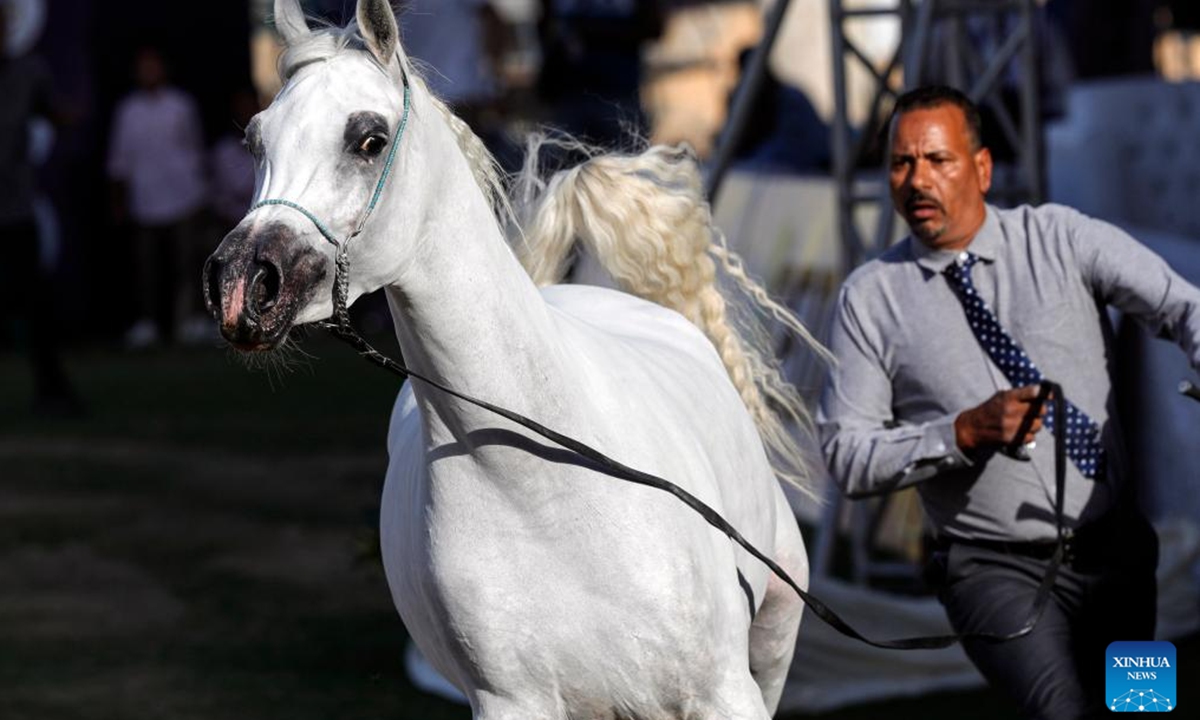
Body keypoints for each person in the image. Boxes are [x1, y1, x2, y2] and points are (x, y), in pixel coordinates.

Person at [818, 85, 1200, 719]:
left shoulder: (1061, 236)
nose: (917, 180)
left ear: (983, 168)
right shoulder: (871, 297)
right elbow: (847, 454)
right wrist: (960, 433)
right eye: (901, 163)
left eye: (937, 160)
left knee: (1140, 710)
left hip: (1120, 552)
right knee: (1063, 711)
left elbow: (1182, 304)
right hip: (990, 569)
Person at [0, 1, 82, 415]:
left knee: (36, 306)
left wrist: (71, 115)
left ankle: (53, 391)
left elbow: (56, 111)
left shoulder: (28, 73)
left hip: (14, 210)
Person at [107, 46, 208, 348]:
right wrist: (117, 201)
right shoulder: (127, 110)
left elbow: (195, 150)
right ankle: (147, 324)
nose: (148, 72)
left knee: (186, 264)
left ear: (164, 69)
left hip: (184, 197)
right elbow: (119, 160)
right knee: (146, 269)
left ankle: (189, 321)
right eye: (143, 67)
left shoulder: (181, 105)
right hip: (144, 201)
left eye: (153, 66)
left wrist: (200, 191)